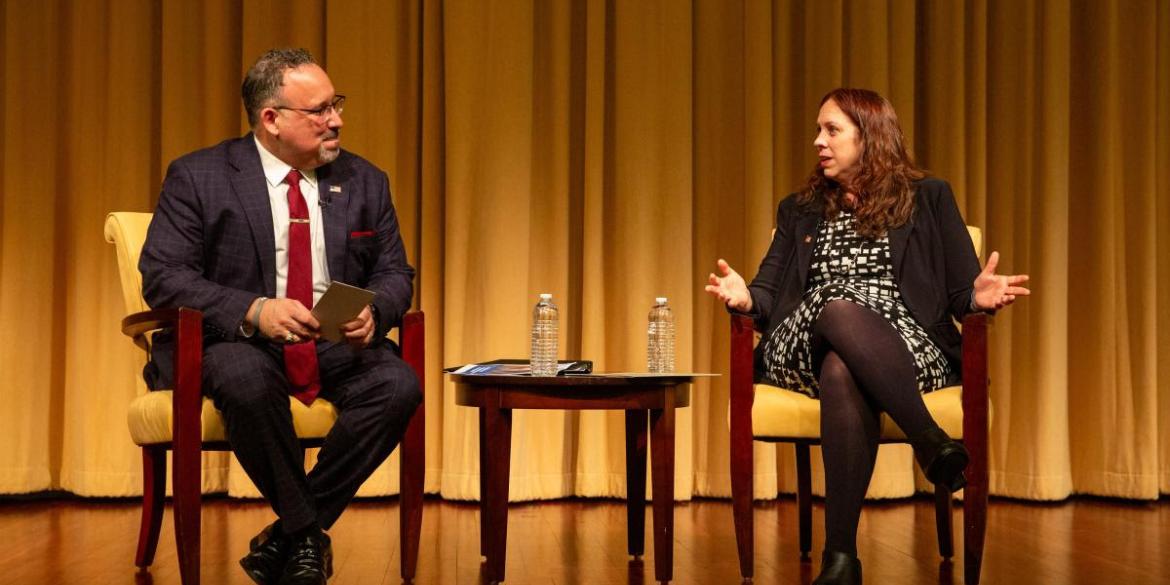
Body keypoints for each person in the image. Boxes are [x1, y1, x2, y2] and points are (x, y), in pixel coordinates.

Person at [705, 88, 1029, 585]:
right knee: (837, 308)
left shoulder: (930, 197)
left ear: (870, 136)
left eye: (832, 130)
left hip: (904, 343)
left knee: (842, 369)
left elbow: (963, 290)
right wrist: (744, 298)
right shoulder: (799, 209)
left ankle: (841, 560)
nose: (818, 141)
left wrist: (978, 296)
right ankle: (929, 440)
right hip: (803, 341)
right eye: (818, 130)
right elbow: (768, 295)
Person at [139, 48, 421, 585]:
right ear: (271, 119)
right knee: (246, 379)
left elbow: (395, 273)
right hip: (233, 342)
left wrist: (376, 309)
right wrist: (254, 309)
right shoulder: (200, 176)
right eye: (319, 110)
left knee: (398, 383)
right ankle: (306, 534)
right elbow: (164, 276)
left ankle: (292, 533)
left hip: (329, 342)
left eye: (335, 104)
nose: (336, 119)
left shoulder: (365, 180)